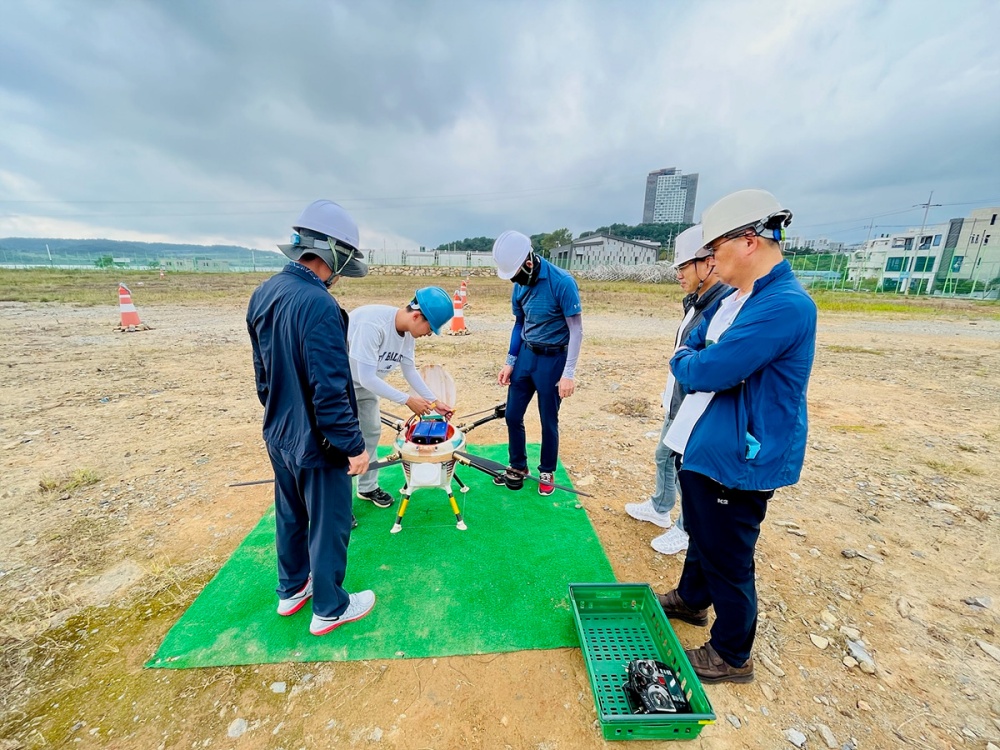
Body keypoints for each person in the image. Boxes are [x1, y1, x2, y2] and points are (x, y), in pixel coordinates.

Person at [657, 189, 816, 683]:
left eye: (716, 249)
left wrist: (685, 361)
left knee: (728, 554)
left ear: (748, 242)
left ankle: (731, 653)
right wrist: (694, 358)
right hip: (714, 445)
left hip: (741, 455)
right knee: (703, 532)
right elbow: (703, 348)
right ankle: (691, 599)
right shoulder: (747, 298)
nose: (712, 261)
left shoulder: (784, 305)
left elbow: (709, 365)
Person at [247, 199, 376, 637]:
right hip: (317, 442)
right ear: (334, 255)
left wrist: (280, 414)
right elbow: (330, 389)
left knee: (290, 514)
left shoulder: (265, 292)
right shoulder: (320, 305)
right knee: (330, 522)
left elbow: (262, 374)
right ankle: (329, 607)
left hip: (279, 433)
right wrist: (353, 447)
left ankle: (291, 589)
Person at [625, 224, 730, 555]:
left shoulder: (721, 305)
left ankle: (687, 528)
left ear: (707, 262)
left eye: (683, 266)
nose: (678, 274)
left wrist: (682, 368)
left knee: (690, 469)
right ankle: (660, 507)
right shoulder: (698, 302)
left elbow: (701, 362)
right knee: (665, 456)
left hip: (697, 404)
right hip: (679, 398)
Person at [492, 230, 582, 496]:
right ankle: (518, 466)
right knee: (512, 415)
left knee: (548, 419)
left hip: (554, 359)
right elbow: (519, 323)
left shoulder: (562, 282)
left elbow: (576, 330)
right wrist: (510, 361)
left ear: (529, 263)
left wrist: (568, 373)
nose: (515, 282)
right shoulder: (518, 287)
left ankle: (547, 469)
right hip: (527, 356)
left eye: (517, 275)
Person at [348, 287, 455, 508]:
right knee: (342, 442)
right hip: (339, 388)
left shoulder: (407, 334)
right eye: (430, 327)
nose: (429, 333)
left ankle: (367, 487)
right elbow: (365, 377)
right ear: (416, 316)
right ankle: (337, 505)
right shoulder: (372, 324)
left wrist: (434, 402)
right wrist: (407, 400)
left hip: (366, 387)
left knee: (371, 432)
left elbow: (410, 370)